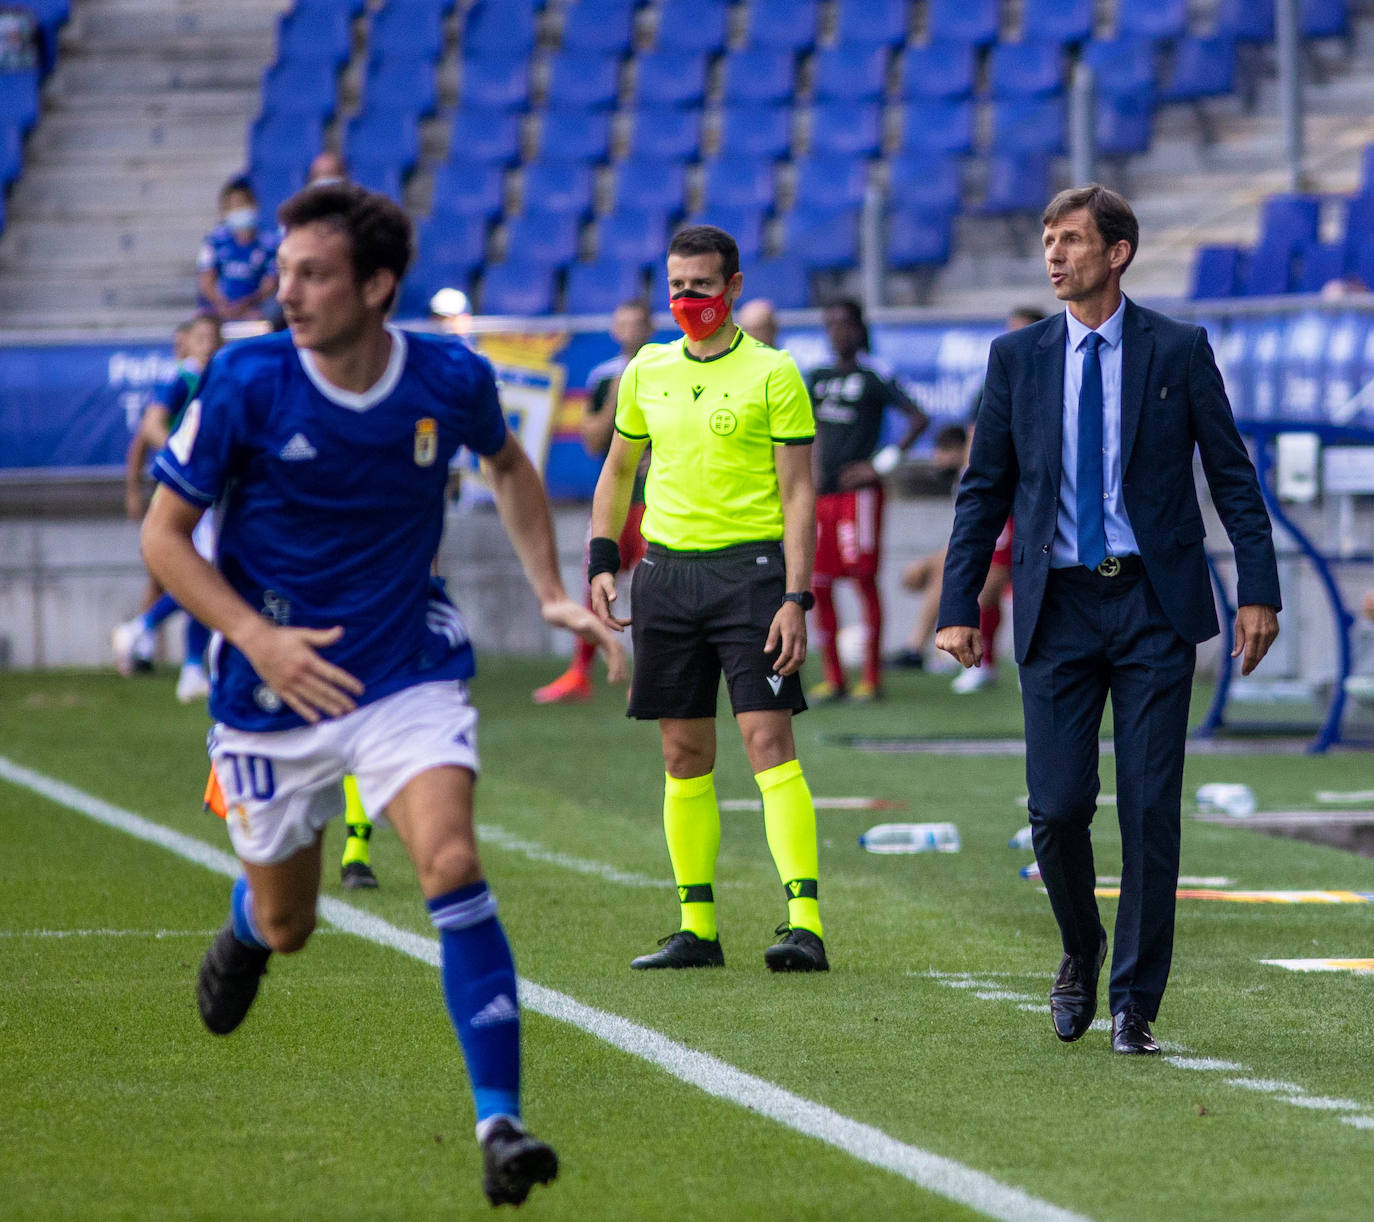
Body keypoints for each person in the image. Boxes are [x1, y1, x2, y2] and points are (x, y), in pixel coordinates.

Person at [141, 181, 625, 1205]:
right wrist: (255, 636)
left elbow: (510, 465)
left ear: (376, 285)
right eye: (283, 273)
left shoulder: (448, 376)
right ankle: (246, 923)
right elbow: (162, 536)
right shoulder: (244, 379)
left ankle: (500, 1122)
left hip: (406, 662)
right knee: (290, 923)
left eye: (312, 273)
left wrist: (549, 590)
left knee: (449, 856)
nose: (289, 291)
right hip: (270, 689)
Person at [936, 184, 1281, 1055]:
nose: (1054, 254)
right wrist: (957, 603)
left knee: (1150, 810)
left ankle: (1135, 1004)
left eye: (1072, 240)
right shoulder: (1015, 357)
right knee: (1055, 809)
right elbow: (984, 491)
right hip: (1056, 608)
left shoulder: (1179, 348)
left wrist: (1259, 589)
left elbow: (1232, 478)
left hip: (1153, 608)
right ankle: (1081, 946)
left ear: (1118, 252)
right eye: (1048, 240)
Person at [589, 224, 829, 973]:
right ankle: (697, 928)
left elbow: (799, 494)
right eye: (677, 286)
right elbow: (618, 470)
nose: (688, 299)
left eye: (702, 285)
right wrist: (603, 557)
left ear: (734, 288)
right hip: (664, 578)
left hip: (751, 579)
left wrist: (796, 595)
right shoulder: (646, 370)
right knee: (682, 752)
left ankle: (804, 923)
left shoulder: (774, 372)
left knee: (767, 744)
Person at [806, 299, 928, 701]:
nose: (836, 332)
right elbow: (809, 430)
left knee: (862, 580)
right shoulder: (818, 376)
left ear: (859, 329)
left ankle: (871, 677)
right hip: (824, 496)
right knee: (819, 585)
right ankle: (834, 676)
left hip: (859, 497)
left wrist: (880, 465)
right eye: (830, 324)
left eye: (843, 324)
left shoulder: (874, 373)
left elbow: (918, 418)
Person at [533, 299, 654, 704]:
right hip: (615, 501)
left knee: (656, 588)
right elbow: (593, 441)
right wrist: (619, 389)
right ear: (615, 331)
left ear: (649, 328)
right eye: (623, 323)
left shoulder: (667, 370)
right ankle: (579, 672)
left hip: (657, 500)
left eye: (637, 323)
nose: (630, 331)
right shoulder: (605, 377)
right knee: (596, 581)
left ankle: (652, 674)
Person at [115, 313, 223, 701]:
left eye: (214, 336)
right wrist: (186, 455)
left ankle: (193, 668)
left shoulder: (213, 377)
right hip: (190, 490)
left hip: (206, 488)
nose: (209, 342)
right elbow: (150, 428)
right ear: (187, 342)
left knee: (207, 572)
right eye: (202, 336)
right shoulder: (184, 378)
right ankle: (142, 627)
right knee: (205, 573)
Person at [950, 305, 1048, 695]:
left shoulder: (1054, 380)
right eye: (1009, 331)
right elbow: (976, 437)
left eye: (1021, 331)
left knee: (1019, 581)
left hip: (1036, 498)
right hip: (1001, 499)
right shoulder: (994, 382)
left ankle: (1013, 661)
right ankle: (983, 661)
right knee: (991, 578)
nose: (1012, 340)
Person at [887, 423, 969, 671]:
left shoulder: (974, 476)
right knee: (930, 570)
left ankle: (924, 648)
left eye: (945, 450)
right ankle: (924, 648)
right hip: (984, 553)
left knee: (945, 569)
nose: (938, 458)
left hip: (1004, 557)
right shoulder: (959, 481)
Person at [196, 176, 279, 322]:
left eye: (241, 204)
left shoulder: (268, 243)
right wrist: (222, 304)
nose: (238, 210)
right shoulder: (214, 241)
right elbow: (206, 280)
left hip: (256, 308)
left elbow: (270, 284)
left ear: (253, 205)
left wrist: (246, 304)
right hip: (220, 308)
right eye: (231, 206)